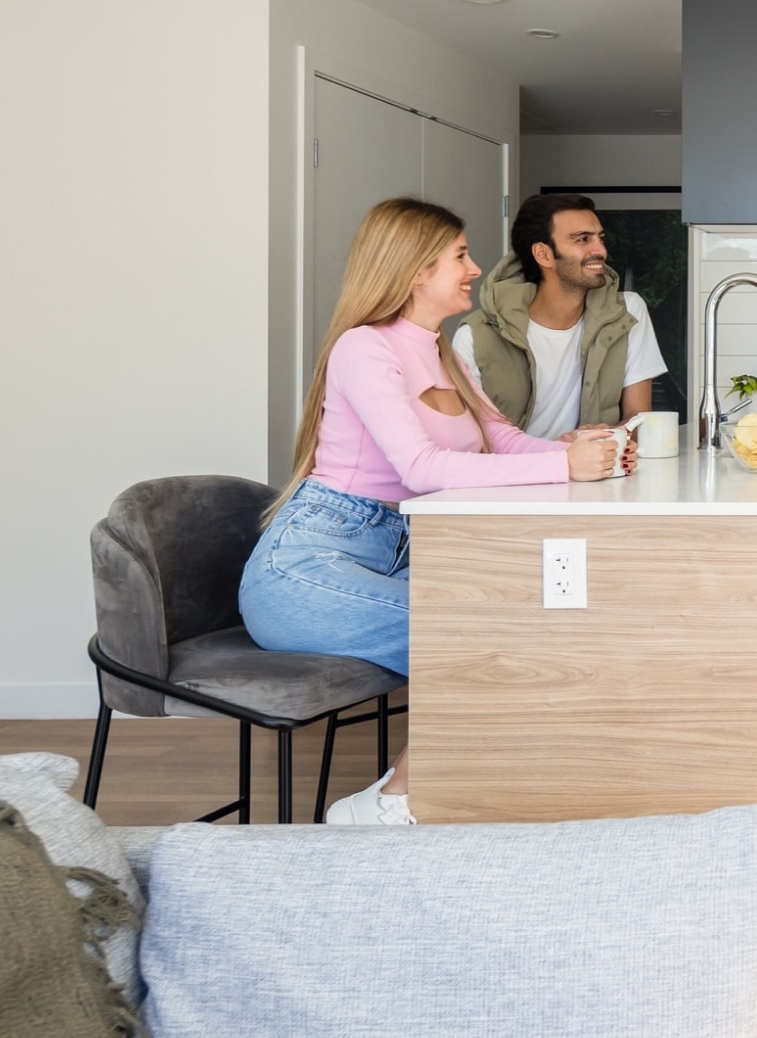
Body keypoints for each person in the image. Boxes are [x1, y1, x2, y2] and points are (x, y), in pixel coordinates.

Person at [240, 197, 623, 825]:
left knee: (536, 623)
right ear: (416, 270)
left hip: (395, 554)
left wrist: (573, 449)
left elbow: (498, 437)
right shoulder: (364, 349)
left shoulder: (438, 347)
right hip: (309, 567)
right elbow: (420, 468)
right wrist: (562, 467)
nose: (475, 269)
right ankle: (389, 807)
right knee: (484, 638)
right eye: (460, 256)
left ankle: (470, 798)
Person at [452, 193, 667, 441]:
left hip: (598, 474)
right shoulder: (475, 337)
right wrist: (557, 454)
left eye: (600, 238)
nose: (601, 251)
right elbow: (470, 443)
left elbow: (638, 419)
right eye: (583, 239)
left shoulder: (627, 312)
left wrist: (605, 436)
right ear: (543, 255)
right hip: (515, 477)